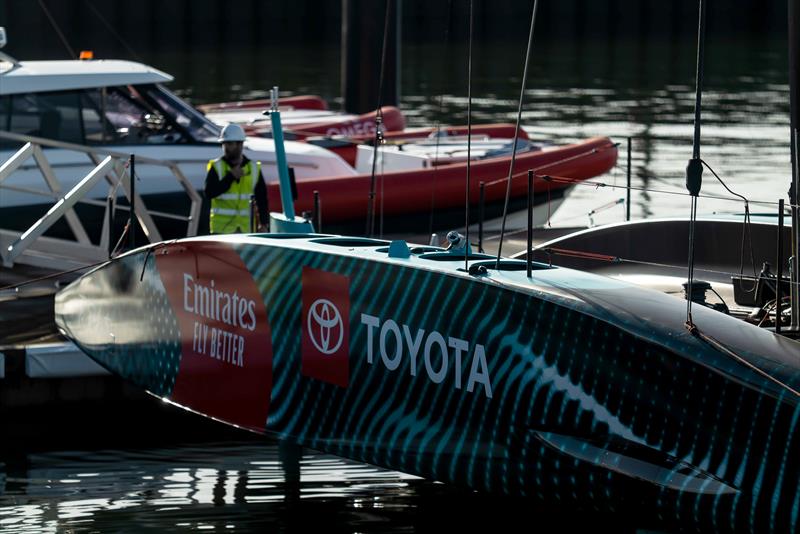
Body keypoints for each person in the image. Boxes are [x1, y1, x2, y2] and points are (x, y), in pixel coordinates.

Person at [204, 123, 268, 234]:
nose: (226, 147)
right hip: (222, 230)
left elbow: (262, 199)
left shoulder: (253, 168)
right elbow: (209, 193)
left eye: (229, 143)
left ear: (240, 144)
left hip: (246, 229)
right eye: (224, 144)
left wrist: (264, 224)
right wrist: (230, 177)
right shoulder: (216, 166)